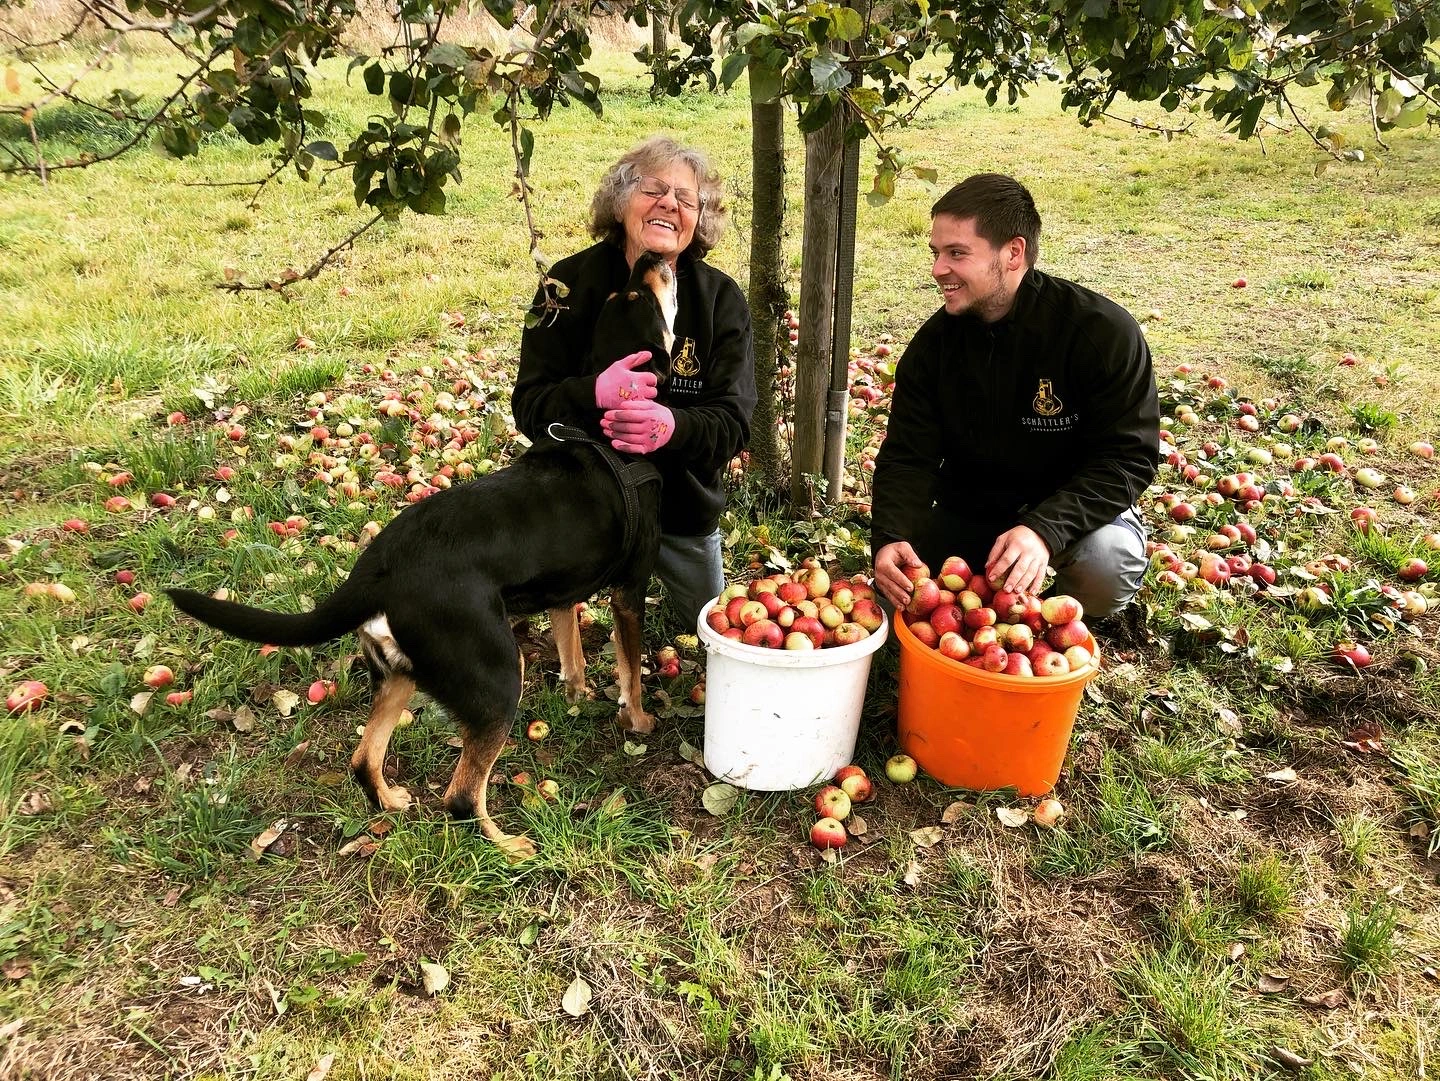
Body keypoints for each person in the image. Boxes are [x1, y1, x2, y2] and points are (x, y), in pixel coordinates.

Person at [871, 173, 1158, 619]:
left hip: (1070, 511)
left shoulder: (1100, 333)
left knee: (1105, 564)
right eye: (936, 253)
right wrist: (891, 535)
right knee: (896, 601)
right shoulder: (933, 348)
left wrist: (1043, 529)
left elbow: (1128, 457)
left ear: (1013, 252)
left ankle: (1065, 617)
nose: (937, 269)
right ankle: (998, 608)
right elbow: (909, 456)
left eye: (957, 253)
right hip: (973, 508)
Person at [513, 135, 757, 626]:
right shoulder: (564, 285)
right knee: (511, 612)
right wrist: (592, 392)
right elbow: (530, 404)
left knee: (708, 632)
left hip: (679, 511)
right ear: (621, 200)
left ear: (698, 219)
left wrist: (671, 427)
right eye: (653, 190)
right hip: (578, 505)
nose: (669, 203)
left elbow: (733, 422)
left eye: (686, 199)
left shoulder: (720, 300)